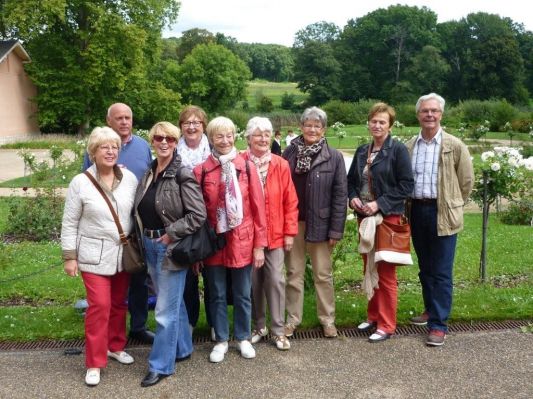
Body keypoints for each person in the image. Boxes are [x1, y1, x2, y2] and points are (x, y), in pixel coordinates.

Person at [61, 127, 139, 386]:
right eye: (104, 147)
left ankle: (115, 347)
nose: (110, 151)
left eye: (114, 147)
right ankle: (94, 362)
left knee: (119, 303)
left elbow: (135, 214)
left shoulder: (128, 178)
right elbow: (70, 222)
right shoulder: (80, 182)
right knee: (100, 306)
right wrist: (69, 257)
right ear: (93, 152)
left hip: (122, 255)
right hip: (92, 256)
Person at [134, 122, 206, 387]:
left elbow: (198, 214)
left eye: (170, 139)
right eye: (159, 138)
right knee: (173, 303)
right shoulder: (149, 172)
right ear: (152, 141)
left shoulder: (181, 173)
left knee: (164, 310)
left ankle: (161, 365)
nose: (164, 143)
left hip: (170, 248)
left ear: (176, 143)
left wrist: (171, 233)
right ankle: (184, 349)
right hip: (149, 245)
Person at [193, 116, 267, 363]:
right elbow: (198, 212)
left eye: (228, 135)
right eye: (218, 136)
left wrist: (259, 246)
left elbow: (258, 209)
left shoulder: (247, 167)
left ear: (234, 137)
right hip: (214, 242)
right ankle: (222, 339)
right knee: (216, 293)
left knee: (243, 293)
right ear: (211, 139)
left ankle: (243, 338)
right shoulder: (201, 170)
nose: (224, 141)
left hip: (242, 240)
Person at [82, 103, 154, 344]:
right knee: (111, 283)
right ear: (108, 120)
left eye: (128, 118)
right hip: (108, 228)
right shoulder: (98, 148)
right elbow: (87, 185)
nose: (124, 122)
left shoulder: (143, 147)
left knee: (139, 278)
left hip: (137, 225)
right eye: (119, 118)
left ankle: (139, 326)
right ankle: (112, 334)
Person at [405, 93, 473, 347]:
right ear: (418, 115)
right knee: (425, 267)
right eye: (425, 111)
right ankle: (429, 310)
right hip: (417, 211)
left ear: (441, 114)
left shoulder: (454, 145)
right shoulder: (411, 145)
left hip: (443, 212)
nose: (430, 115)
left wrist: (452, 204)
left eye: (434, 111)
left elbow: (466, 182)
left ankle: (438, 325)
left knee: (442, 270)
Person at [347, 103, 414, 342]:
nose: (377, 125)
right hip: (365, 219)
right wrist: (353, 197)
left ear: (390, 126)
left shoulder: (397, 151)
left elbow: (406, 185)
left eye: (382, 122)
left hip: (387, 219)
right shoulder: (362, 150)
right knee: (369, 269)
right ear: (369, 123)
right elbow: (351, 182)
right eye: (374, 121)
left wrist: (379, 204)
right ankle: (373, 315)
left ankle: (386, 324)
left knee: (385, 273)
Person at [282, 106, 347, 339]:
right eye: (308, 125)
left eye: (316, 126)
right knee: (294, 272)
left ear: (323, 129)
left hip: (321, 223)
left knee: (322, 274)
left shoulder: (334, 156)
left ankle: (327, 320)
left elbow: (340, 196)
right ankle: (292, 319)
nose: (312, 129)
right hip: (293, 223)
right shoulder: (288, 153)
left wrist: (335, 230)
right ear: (301, 127)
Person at [242, 117, 298, 351]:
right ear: (248, 138)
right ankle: (258, 326)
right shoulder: (240, 162)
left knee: (275, 279)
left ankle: (277, 330)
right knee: (253, 282)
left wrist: (289, 232)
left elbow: (290, 200)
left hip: (275, 233)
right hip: (247, 235)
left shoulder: (280, 164)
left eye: (267, 133)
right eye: (258, 134)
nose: (263, 138)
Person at [176, 105, 213, 337]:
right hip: (183, 220)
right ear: (181, 127)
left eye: (196, 122)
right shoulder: (172, 151)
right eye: (187, 123)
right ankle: (189, 322)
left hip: (210, 221)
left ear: (203, 126)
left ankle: (213, 323)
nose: (191, 127)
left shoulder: (214, 151)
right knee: (187, 275)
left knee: (212, 275)